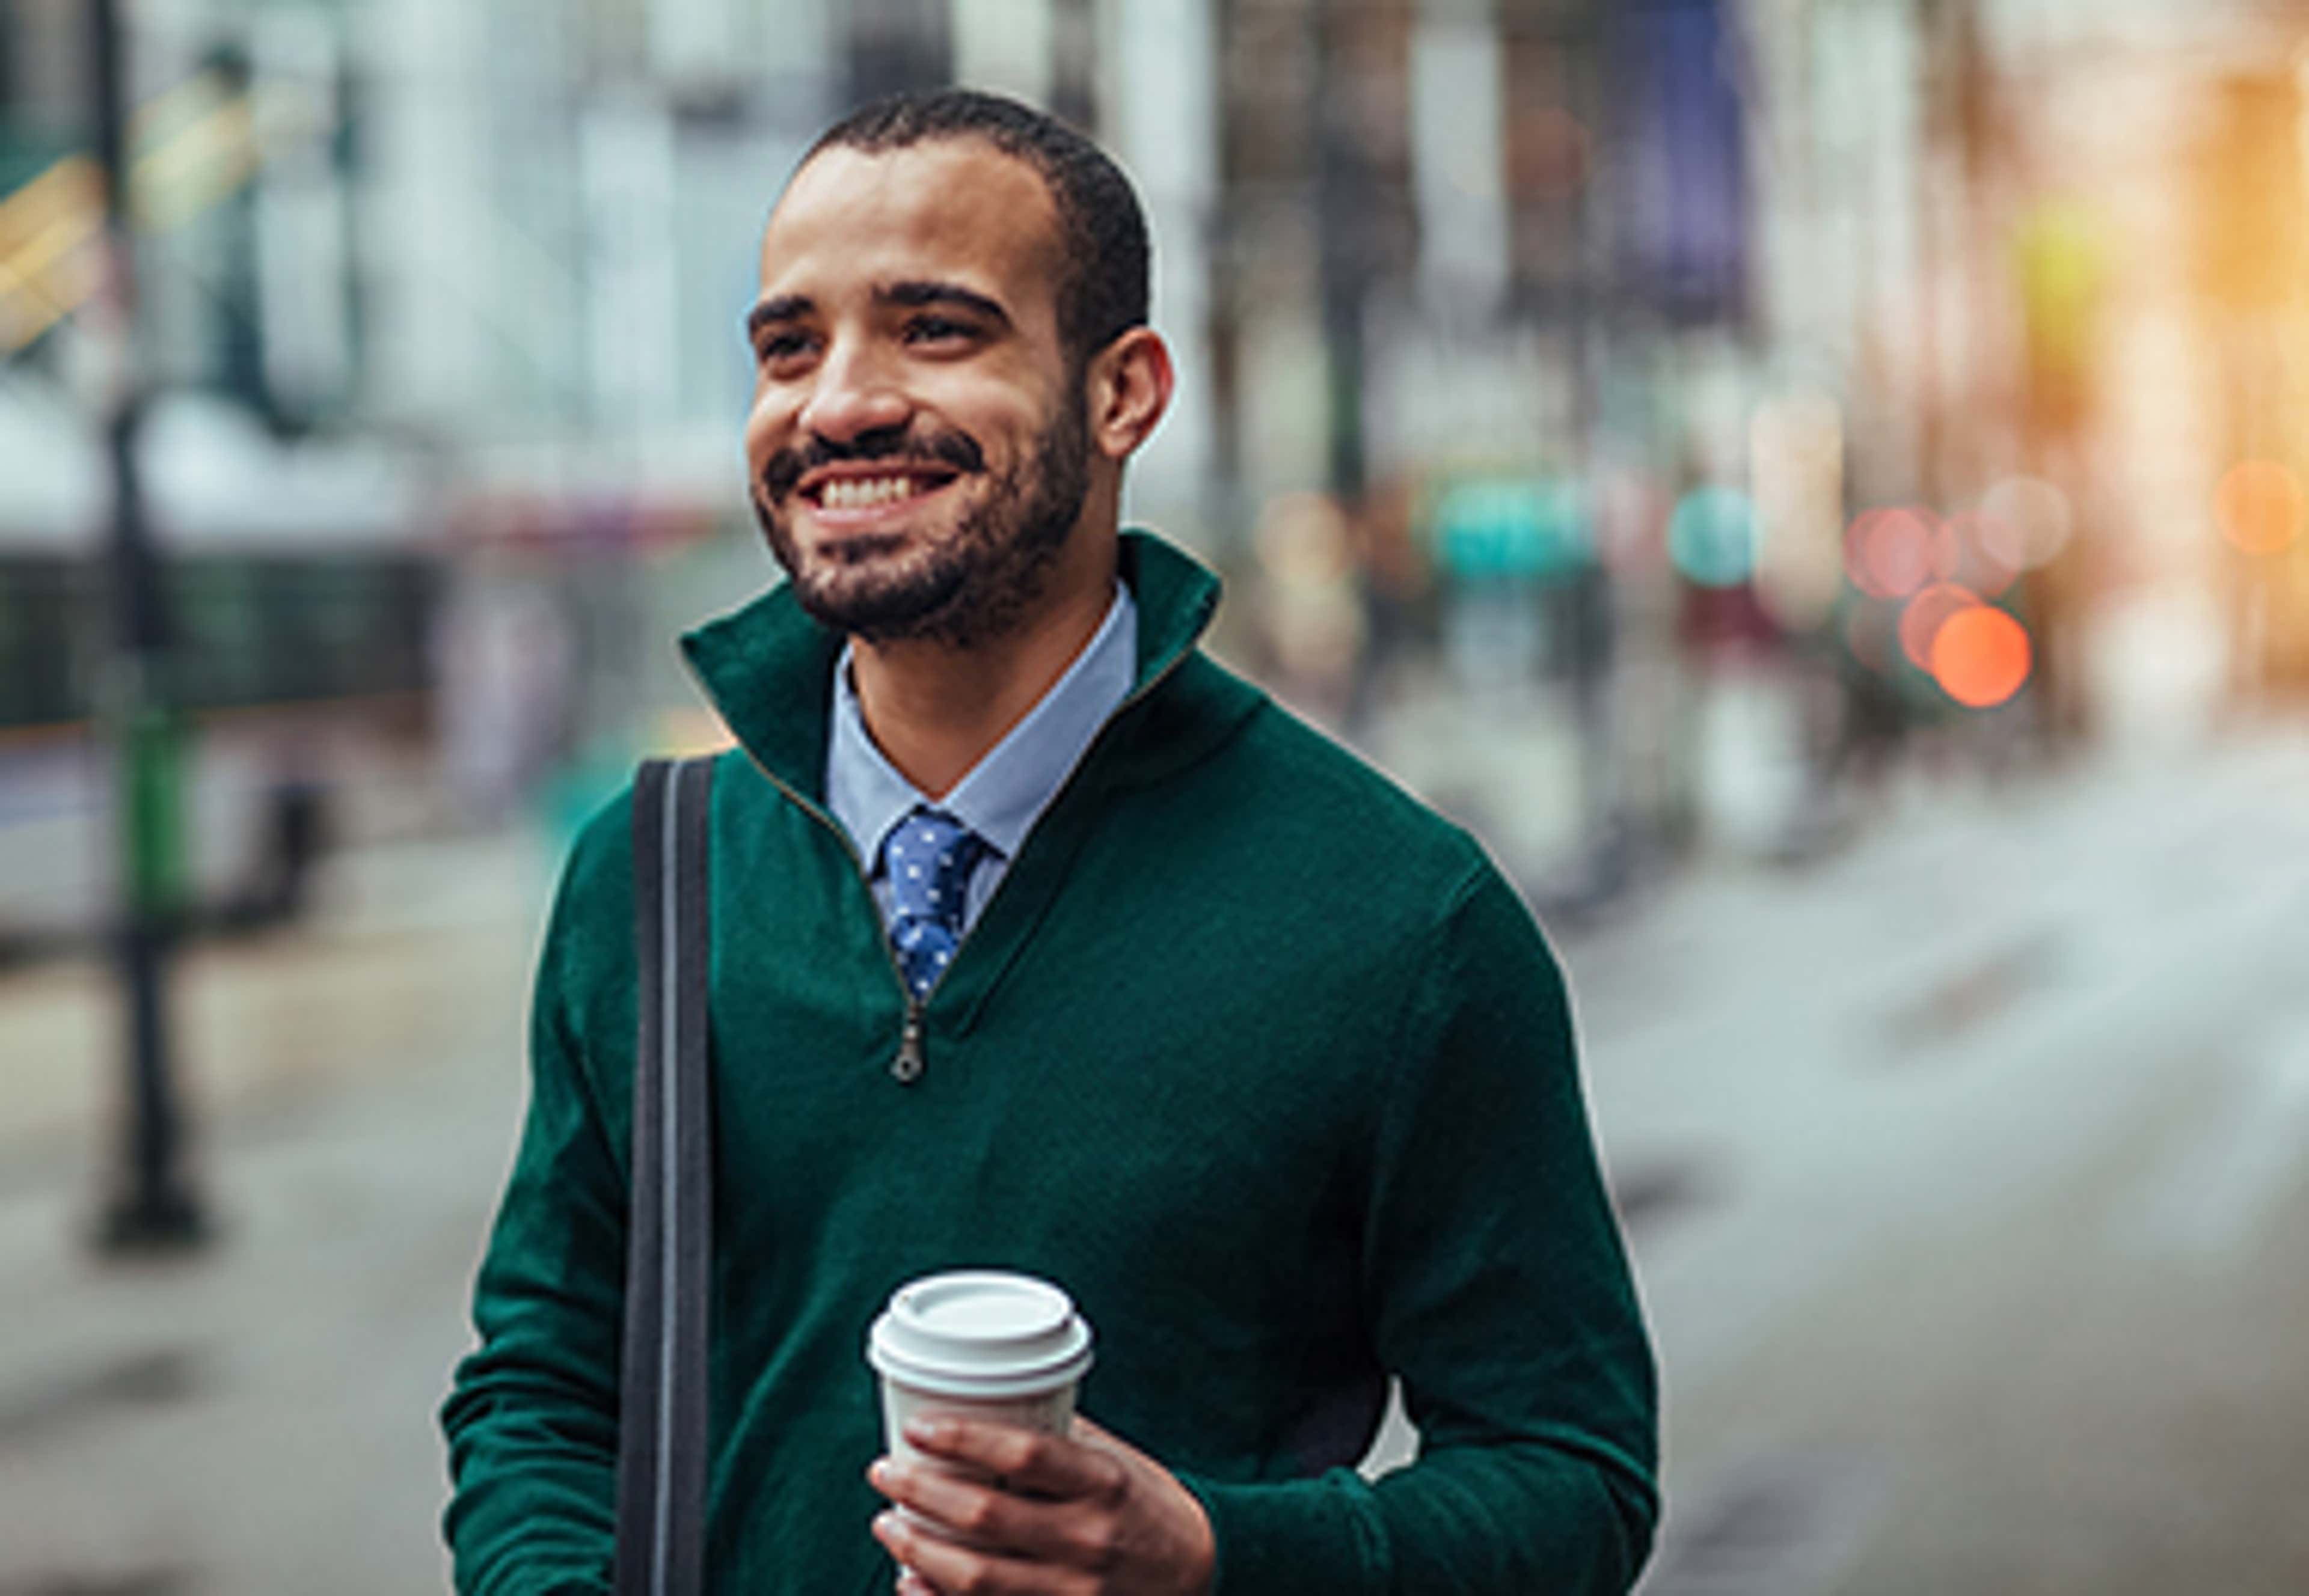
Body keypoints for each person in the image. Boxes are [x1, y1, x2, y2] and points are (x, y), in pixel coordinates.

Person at [440, 88, 1658, 1596]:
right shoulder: (649, 875)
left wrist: (1213, 1555)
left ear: (1123, 392)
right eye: (789, 346)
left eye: (936, 329)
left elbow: (1573, 1478)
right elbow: (545, 1393)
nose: (839, 404)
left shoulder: (1404, 918)